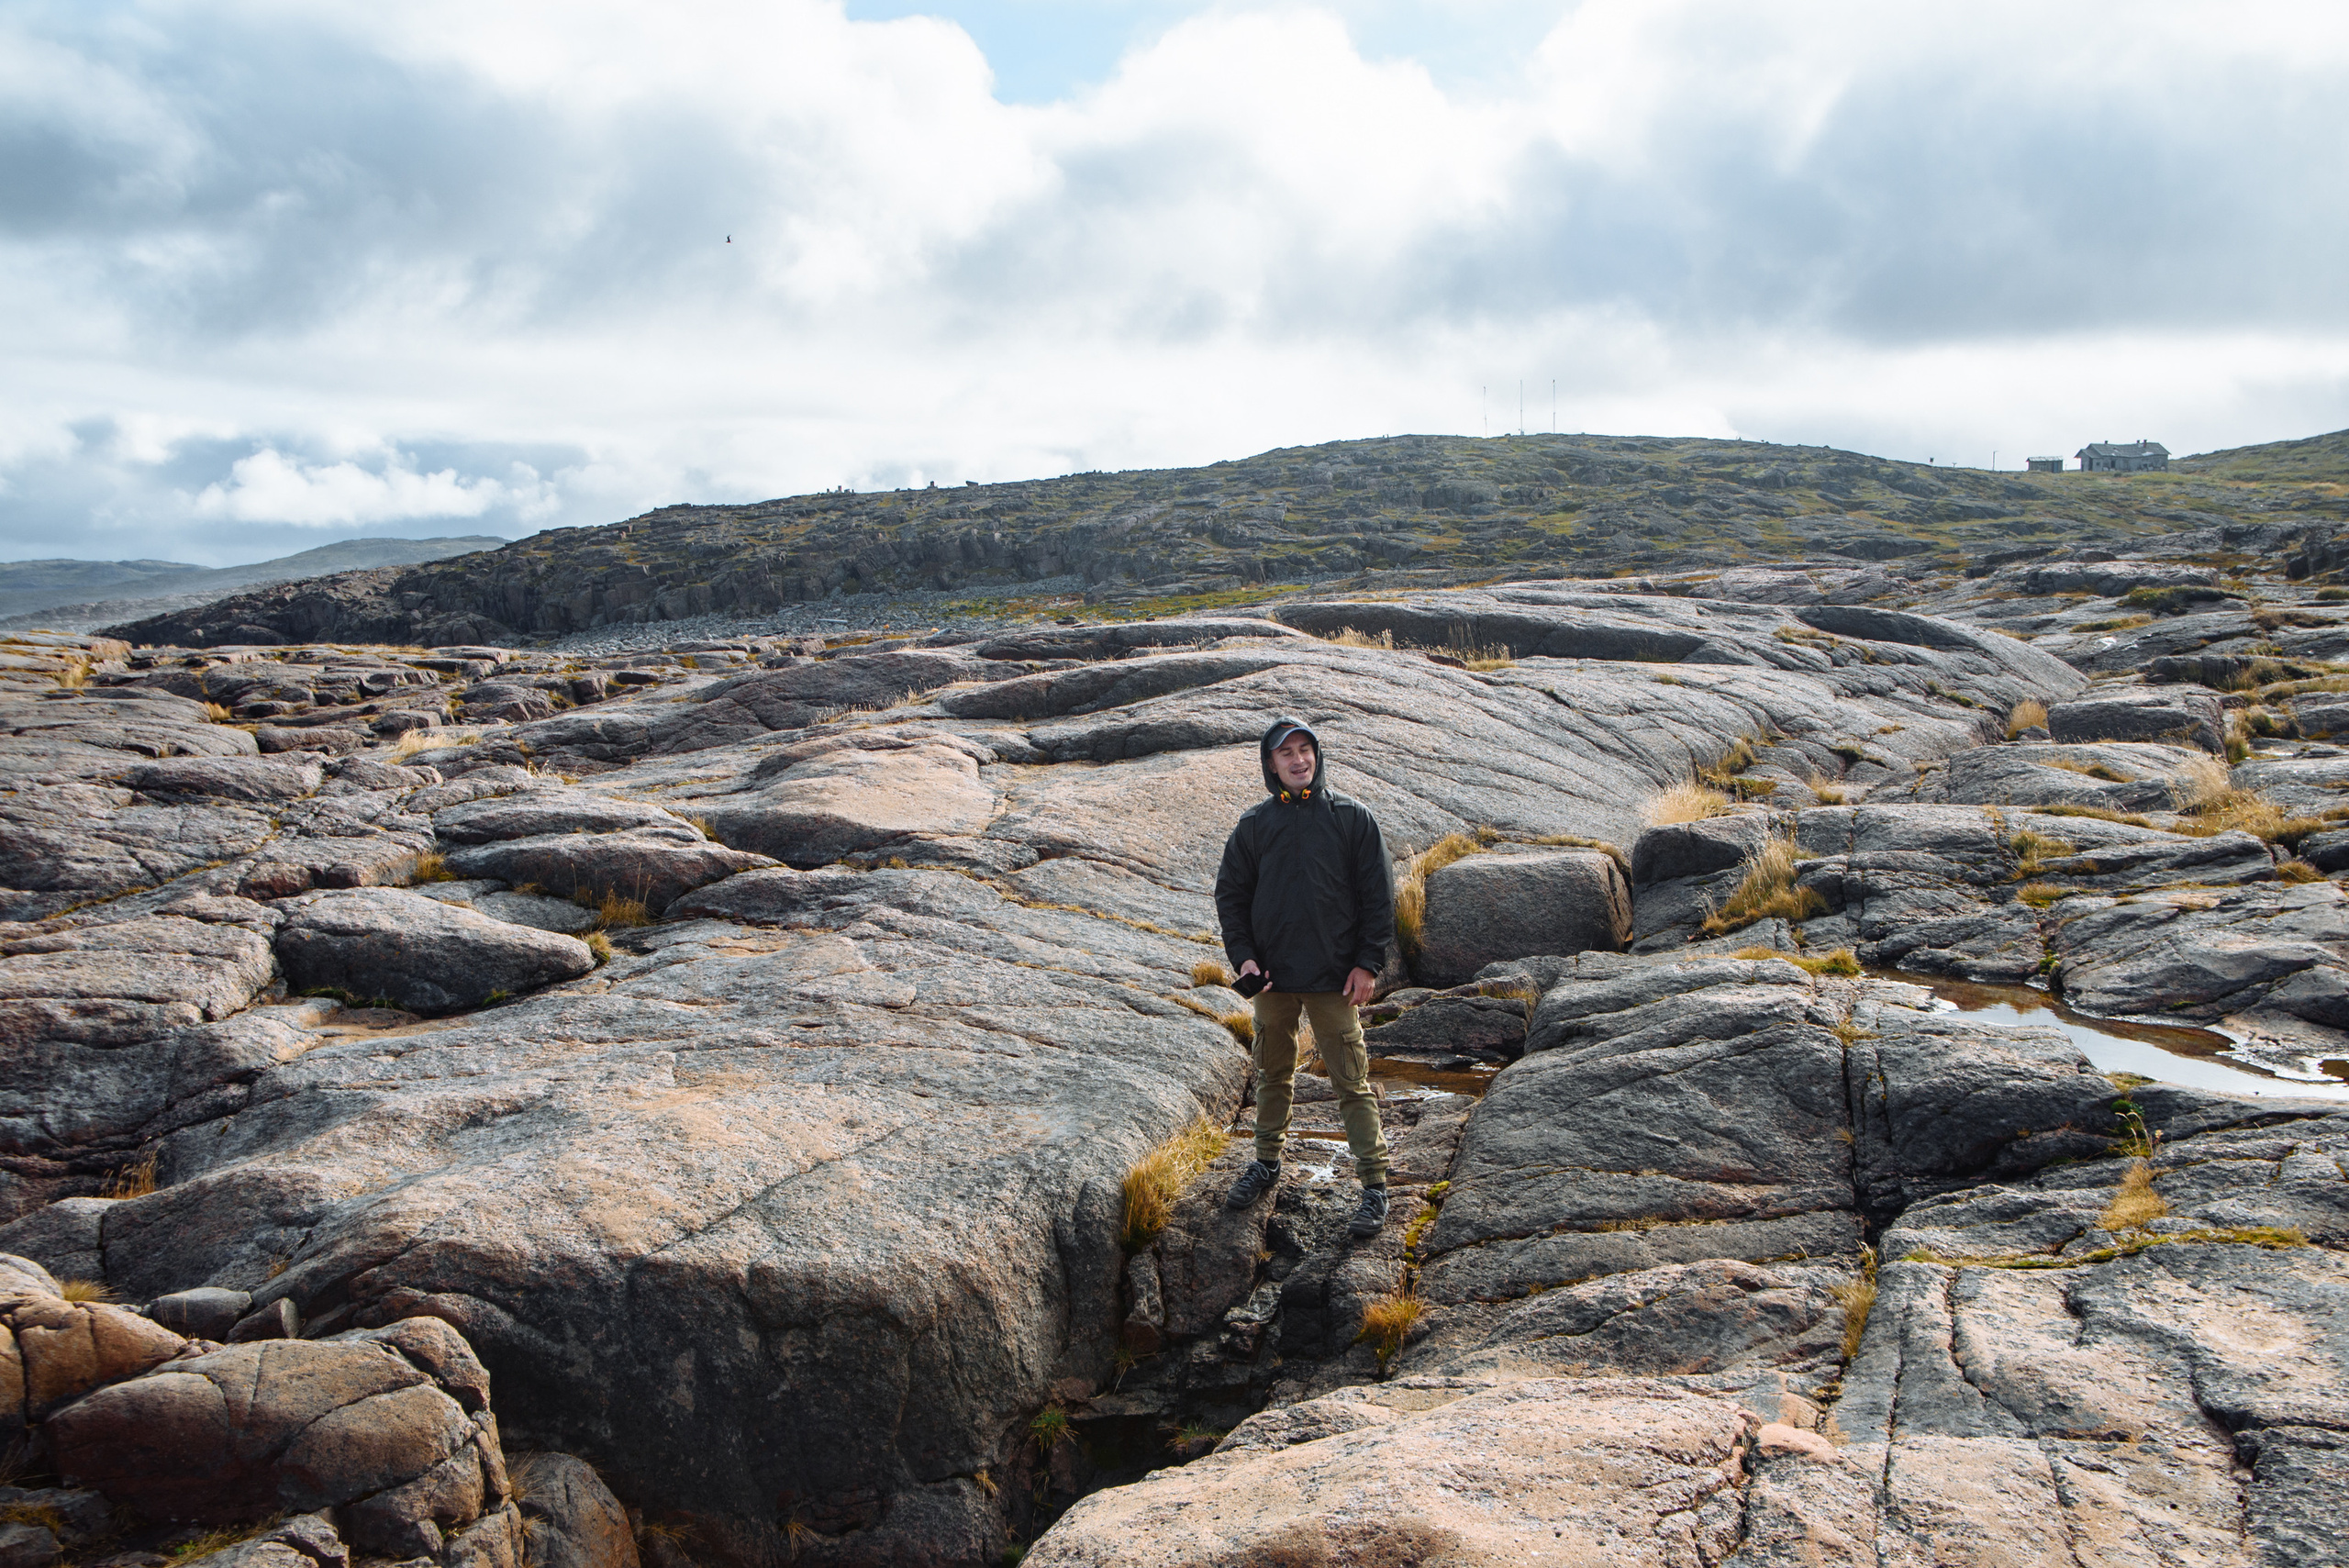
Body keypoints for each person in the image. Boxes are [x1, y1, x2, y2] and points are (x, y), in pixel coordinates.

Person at [1213, 717, 1395, 1239]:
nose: (1298, 759)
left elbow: (1378, 898)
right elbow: (1231, 897)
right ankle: (1266, 1161)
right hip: (1271, 979)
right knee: (1272, 1073)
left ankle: (1375, 1185)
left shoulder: (1351, 818)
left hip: (1335, 979)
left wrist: (1368, 964)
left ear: (1316, 754)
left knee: (1351, 1082)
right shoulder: (1254, 826)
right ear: (1270, 764)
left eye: (1305, 749)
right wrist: (1243, 958)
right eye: (1286, 753)